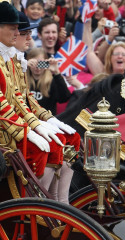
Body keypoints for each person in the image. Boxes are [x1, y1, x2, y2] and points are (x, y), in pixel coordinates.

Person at [14, 12, 80, 204]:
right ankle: (40, 202)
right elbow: (12, 102)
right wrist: (33, 127)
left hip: (34, 121)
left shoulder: (45, 77)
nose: (28, 38)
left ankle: (60, 201)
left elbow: (28, 101)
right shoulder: (18, 65)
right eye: (21, 32)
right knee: (50, 145)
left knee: (72, 138)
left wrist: (50, 120)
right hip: (18, 125)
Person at [26, 48, 71, 115]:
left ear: (46, 63)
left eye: (41, 63)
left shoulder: (52, 81)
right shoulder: (22, 78)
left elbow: (64, 98)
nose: (38, 68)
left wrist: (57, 73)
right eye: (34, 63)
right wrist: (23, 66)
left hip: (46, 121)